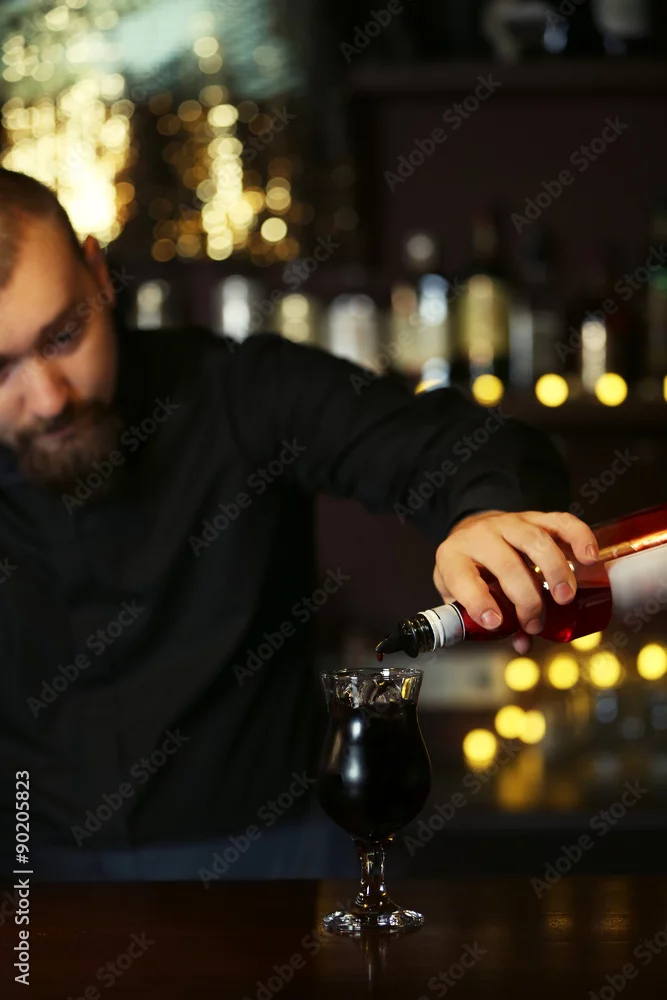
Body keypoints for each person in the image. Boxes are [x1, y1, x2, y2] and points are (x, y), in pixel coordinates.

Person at [0, 168, 598, 882]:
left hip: (273, 865)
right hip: (30, 876)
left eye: (64, 335)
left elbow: (458, 445)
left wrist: (485, 512)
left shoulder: (241, 391)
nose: (48, 398)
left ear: (98, 274)